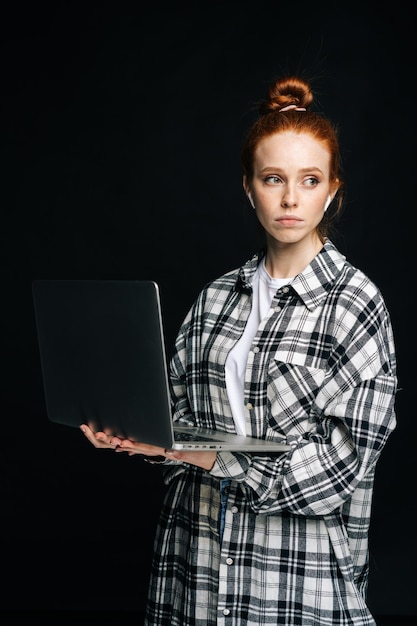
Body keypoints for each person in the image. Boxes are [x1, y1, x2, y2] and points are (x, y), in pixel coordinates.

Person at [81, 74, 398, 625]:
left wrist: (205, 458)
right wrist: (134, 432)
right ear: (248, 187)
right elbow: (175, 412)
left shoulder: (356, 306)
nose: (291, 198)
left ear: (334, 189)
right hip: (195, 573)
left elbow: (340, 469)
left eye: (310, 179)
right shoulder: (214, 299)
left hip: (296, 584)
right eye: (274, 179)